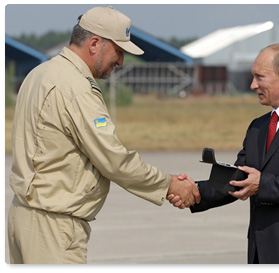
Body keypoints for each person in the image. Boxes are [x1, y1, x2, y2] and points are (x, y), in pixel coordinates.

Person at [7, 6, 200, 264]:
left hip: (24, 216)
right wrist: (169, 185)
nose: (120, 61)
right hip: (54, 227)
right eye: (118, 51)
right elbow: (114, 160)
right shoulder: (76, 87)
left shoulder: (40, 73)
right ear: (95, 43)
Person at [168, 43, 279, 263]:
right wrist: (193, 191)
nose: (253, 85)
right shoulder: (258, 127)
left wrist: (264, 185)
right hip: (261, 251)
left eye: (260, 77)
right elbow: (240, 177)